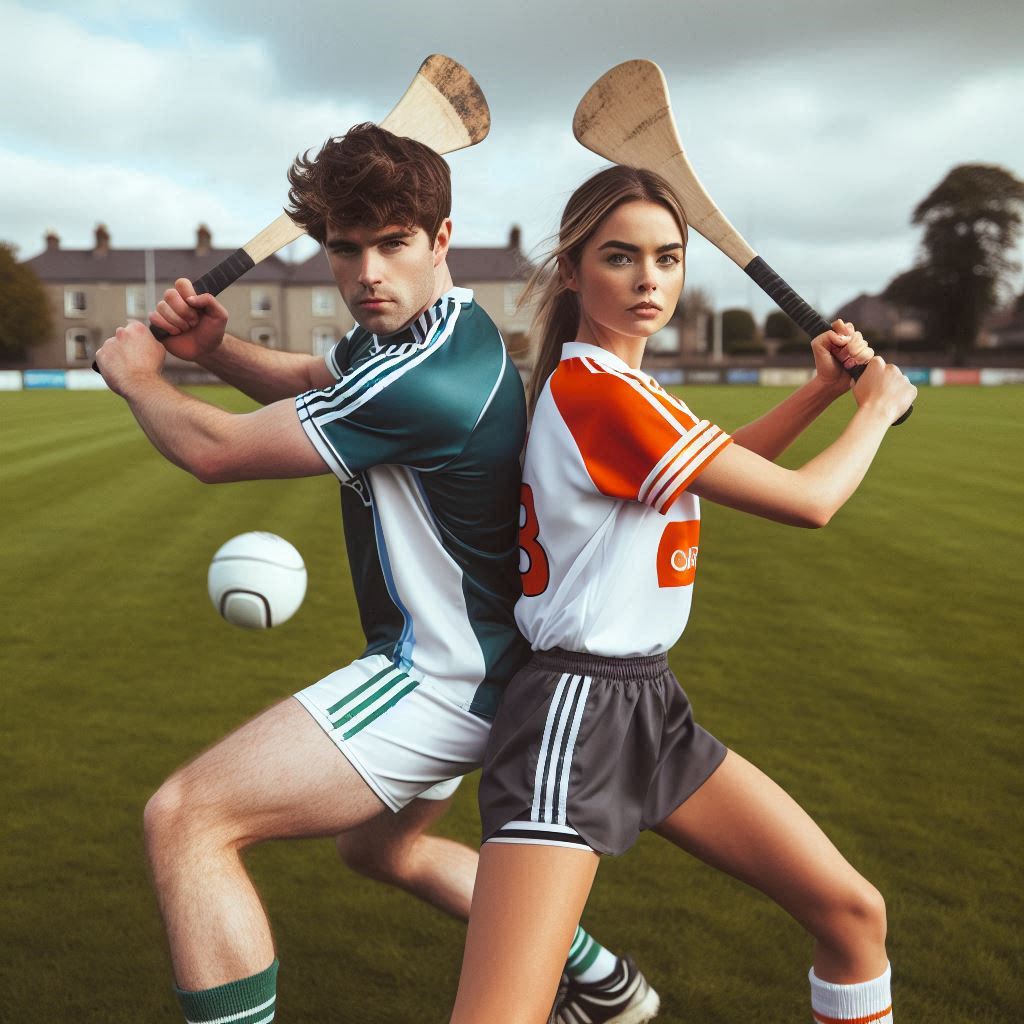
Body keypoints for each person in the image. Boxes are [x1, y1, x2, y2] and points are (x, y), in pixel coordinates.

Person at [95, 125, 645, 1024]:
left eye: (392, 245)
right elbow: (322, 372)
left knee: (189, 818)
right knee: (380, 853)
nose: (366, 275)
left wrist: (140, 377)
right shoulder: (444, 329)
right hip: (487, 667)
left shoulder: (428, 381)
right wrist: (215, 352)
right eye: (344, 250)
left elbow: (214, 452)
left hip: (441, 677)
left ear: (441, 241)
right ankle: (602, 982)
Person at [448, 165, 918, 1024]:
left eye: (667, 259)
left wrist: (817, 391)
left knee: (853, 915)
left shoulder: (626, 392)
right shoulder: (597, 394)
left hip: (649, 706)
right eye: (620, 257)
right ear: (571, 271)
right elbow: (810, 503)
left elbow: (721, 466)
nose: (648, 280)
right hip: (575, 713)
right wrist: (874, 411)